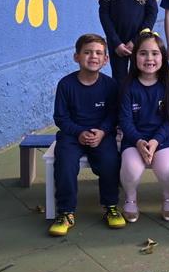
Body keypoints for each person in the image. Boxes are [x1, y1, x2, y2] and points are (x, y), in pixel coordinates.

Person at [48, 34, 124, 236]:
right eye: (87, 52)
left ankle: (111, 206)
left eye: (98, 53)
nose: (93, 56)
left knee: (110, 161)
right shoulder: (66, 85)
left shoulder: (110, 85)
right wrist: (79, 132)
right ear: (77, 57)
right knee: (64, 163)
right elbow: (60, 118)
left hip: (101, 135)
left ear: (106, 59)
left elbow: (113, 114)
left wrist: (103, 131)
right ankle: (65, 212)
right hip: (72, 135)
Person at [118, 29, 169, 223]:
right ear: (135, 57)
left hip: (162, 140)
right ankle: (130, 198)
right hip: (134, 140)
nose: (149, 58)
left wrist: (155, 141)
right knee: (131, 169)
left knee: (166, 169)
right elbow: (125, 121)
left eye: (155, 53)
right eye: (143, 53)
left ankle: (168, 196)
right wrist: (139, 141)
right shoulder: (127, 87)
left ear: (163, 57)